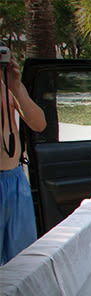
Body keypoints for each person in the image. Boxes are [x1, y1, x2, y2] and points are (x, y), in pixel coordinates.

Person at [1, 52, 47, 265]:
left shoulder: (8, 85)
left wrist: (16, 88)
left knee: (22, 262)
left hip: (15, 180)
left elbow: (39, 124)